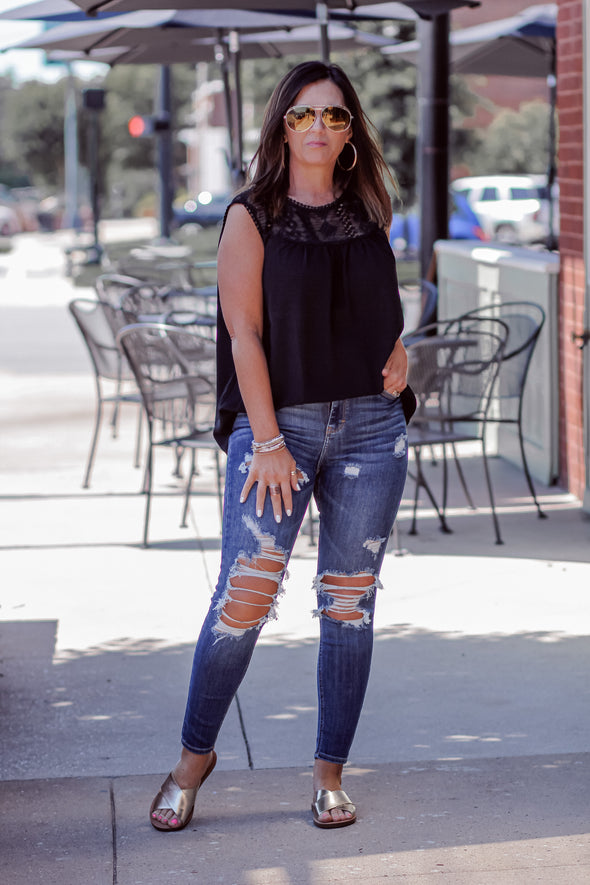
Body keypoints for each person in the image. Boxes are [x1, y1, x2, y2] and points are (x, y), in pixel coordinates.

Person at [150, 60, 415, 833]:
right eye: (304, 115)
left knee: (349, 605)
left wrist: (402, 356)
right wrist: (264, 438)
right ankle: (193, 758)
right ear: (282, 125)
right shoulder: (251, 214)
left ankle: (329, 771)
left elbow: (378, 310)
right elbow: (245, 333)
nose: (321, 129)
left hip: (372, 424)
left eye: (336, 116)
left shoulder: (371, 207)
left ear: (352, 131)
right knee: (244, 599)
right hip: (279, 430)